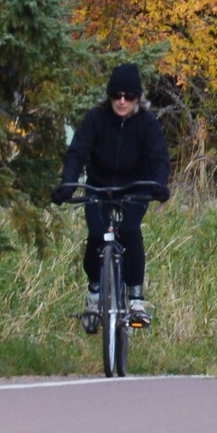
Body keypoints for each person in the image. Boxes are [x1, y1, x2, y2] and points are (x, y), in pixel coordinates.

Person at [53, 63, 171, 328]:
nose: (121, 101)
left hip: (136, 186)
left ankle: (137, 299)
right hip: (99, 186)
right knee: (96, 235)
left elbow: (159, 157)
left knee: (130, 231)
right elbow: (77, 153)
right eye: (116, 95)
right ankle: (94, 293)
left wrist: (159, 185)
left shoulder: (147, 123)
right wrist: (68, 185)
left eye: (128, 96)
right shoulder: (96, 119)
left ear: (137, 98)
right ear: (109, 96)